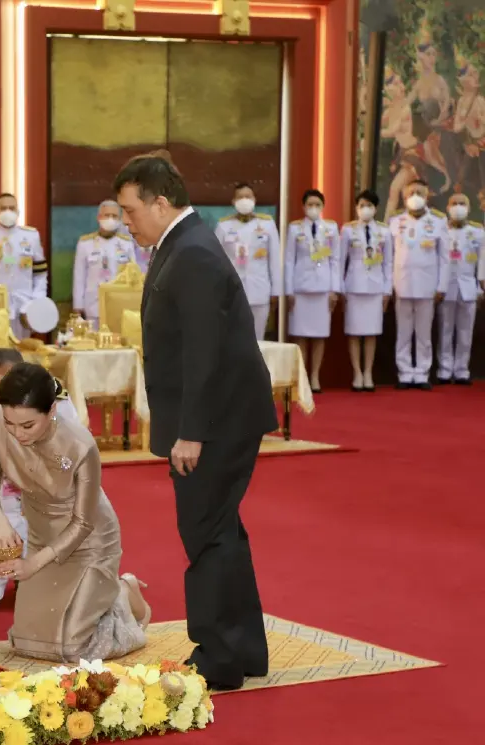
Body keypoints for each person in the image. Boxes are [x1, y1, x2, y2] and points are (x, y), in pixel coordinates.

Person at [115, 152, 277, 690]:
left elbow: (205, 353)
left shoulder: (194, 254)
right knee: (222, 529)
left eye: (130, 210)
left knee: (206, 532)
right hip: (217, 416)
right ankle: (243, 647)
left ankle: (219, 656)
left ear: (161, 203)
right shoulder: (180, 245)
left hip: (216, 422)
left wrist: (191, 431)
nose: (126, 221)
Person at [0, 363, 149, 660]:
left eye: (27, 426)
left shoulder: (80, 446)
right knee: (26, 643)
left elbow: (83, 522)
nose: (17, 434)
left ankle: (123, 592)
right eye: (11, 424)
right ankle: (109, 594)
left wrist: (33, 565)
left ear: (51, 412)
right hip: (40, 533)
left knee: (74, 649)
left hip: (90, 541)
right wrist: (0, 521)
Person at [0, 348, 76, 610]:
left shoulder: (54, 403)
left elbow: (74, 465)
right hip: (3, 514)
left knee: (60, 603)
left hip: (49, 514)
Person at [389, 179, 449, 389]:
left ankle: (422, 373)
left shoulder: (439, 221)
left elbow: (444, 257)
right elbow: (389, 256)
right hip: (402, 283)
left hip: (427, 286)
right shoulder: (395, 221)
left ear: (427, 196)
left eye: (419, 192)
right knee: (403, 333)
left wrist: (441, 286)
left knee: (424, 334)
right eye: (411, 192)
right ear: (405, 197)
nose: (415, 195)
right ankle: (405, 373)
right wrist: (390, 286)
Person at [284, 189, 341, 392]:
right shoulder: (294, 228)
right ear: (303, 207)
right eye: (310, 205)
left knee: (319, 335)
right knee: (300, 335)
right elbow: (289, 260)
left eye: (317, 204)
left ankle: (315, 376)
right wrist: (289, 290)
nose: (313, 208)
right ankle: (301, 377)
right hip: (301, 287)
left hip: (323, 288)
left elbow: (335, 260)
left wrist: (335, 290)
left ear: (323, 207)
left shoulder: (331, 228)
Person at [0, 193, 48, 339]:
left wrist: (36, 299)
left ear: (18, 211)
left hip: (24, 304)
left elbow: (40, 273)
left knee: (22, 351)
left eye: (11, 208)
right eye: (3, 208)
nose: (8, 212)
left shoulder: (31, 236)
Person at [214, 183, 282, 340]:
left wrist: (275, 292)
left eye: (248, 196)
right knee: (233, 338)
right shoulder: (224, 226)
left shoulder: (267, 224)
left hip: (260, 289)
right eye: (240, 197)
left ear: (254, 200)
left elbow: (275, 260)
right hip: (232, 292)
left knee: (257, 340)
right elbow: (216, 261)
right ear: (233, 201)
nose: (244, 200)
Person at [340, 190, 393, 391]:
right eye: (361, 205)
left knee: (371, 333)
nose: (365, 209)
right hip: (354, 285)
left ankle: (368, 372)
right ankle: (357, 373)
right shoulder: (347, 230)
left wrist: (387, 291)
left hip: (376, 287)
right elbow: (340, 261)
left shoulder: (384, 231)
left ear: (376, 208)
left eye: (369, 205)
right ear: (356, 208)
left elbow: (388, 263)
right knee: (354, 332)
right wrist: (341, 289)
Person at [437, 192, 484, 384]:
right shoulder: (440, 230)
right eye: (454, 203)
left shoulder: (478, 231)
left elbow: (482, 261)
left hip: (468, 287)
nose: (458, 206)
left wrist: (481, 288)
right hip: (446, 286)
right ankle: (444, 370)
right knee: (445, 330)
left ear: (469, 208)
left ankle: (462, 369)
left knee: (465, 332)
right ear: (447, 208)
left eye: (462, 203)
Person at [72, 200, 136, 323]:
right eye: (107, 215)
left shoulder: (126, 243)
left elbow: (133, 276)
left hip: (120, 306)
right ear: (99, 217)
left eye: (114, 216)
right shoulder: (85, 243)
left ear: (120, 219)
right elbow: (79, 277)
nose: (110, 219)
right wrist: (78, 307)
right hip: (93, 307)